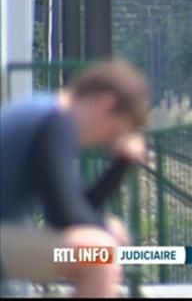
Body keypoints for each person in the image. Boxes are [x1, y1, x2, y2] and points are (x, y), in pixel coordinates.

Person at [0, 59, 149, 297]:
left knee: (98, 245)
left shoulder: (48, 113)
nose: (106, 142)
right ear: (105, 104)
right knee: (100, 256)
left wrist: (121, 164)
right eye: (112, 132)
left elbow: (77, 205)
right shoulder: (55, 122)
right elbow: (64, 216)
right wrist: (104, 227)